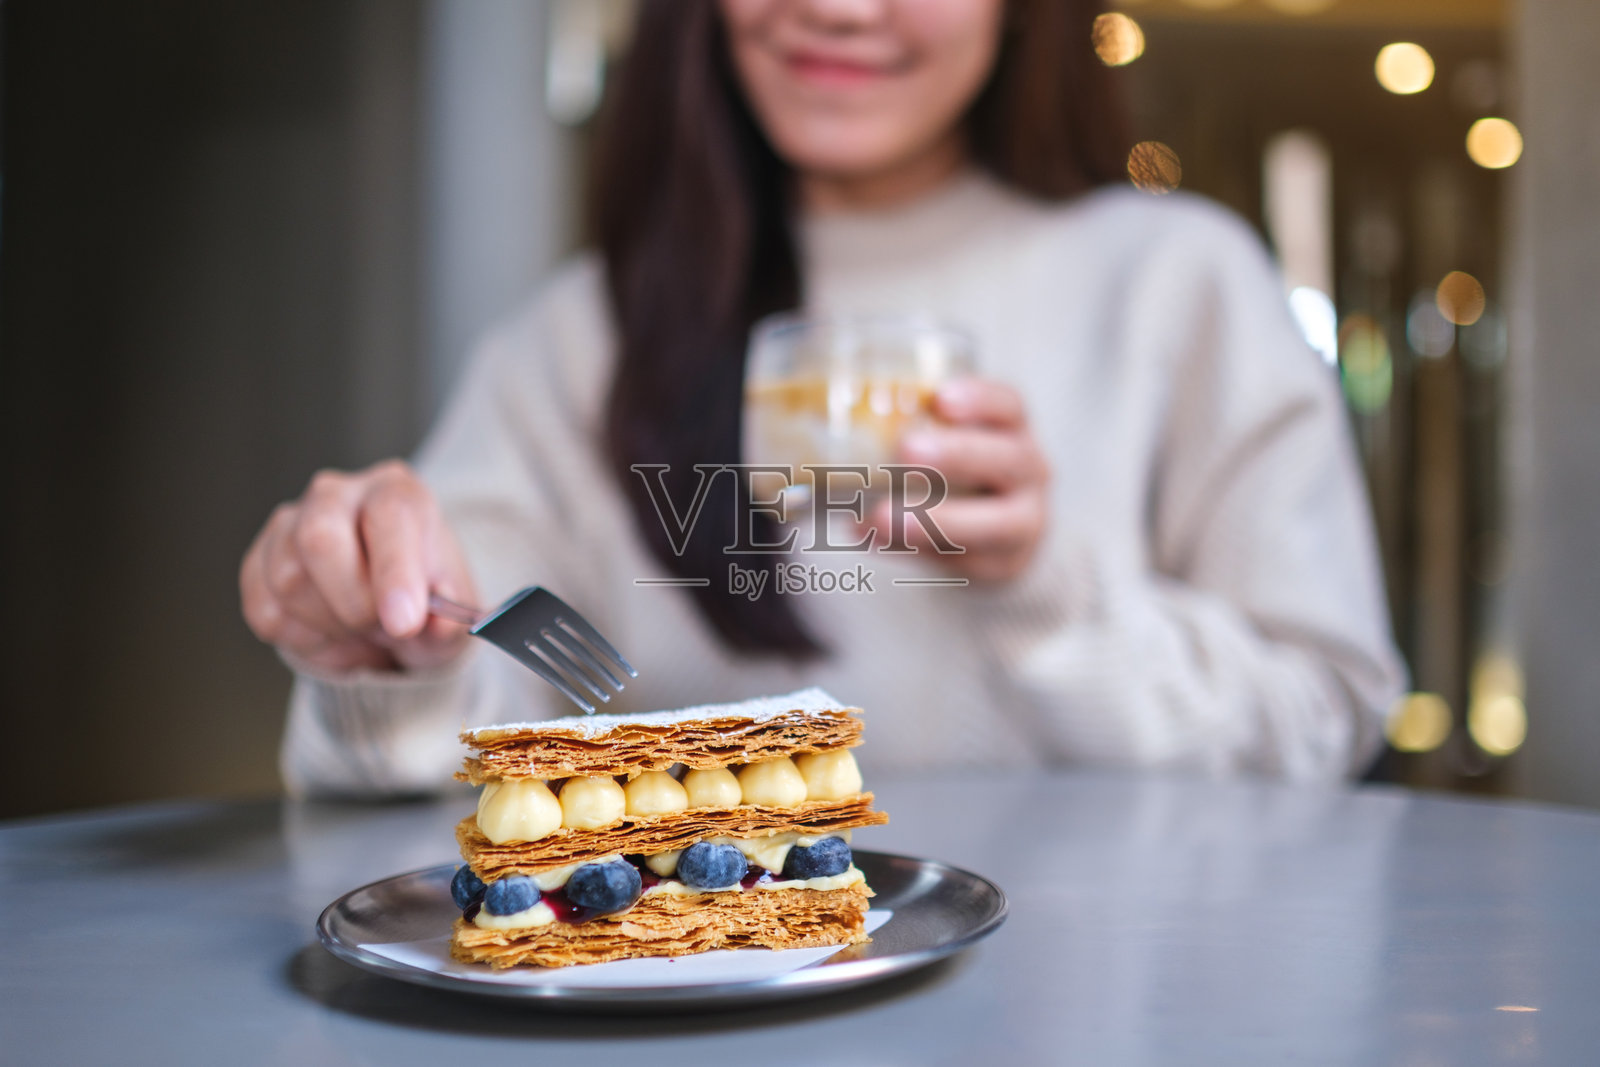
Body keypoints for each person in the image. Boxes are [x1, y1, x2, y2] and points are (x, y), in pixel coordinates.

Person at [241, 0, 1405, 796]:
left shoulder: (1175, 284)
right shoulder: (582, 338)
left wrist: (1047, 596)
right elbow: (512, 691)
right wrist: (395, 642)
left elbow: (1327, 712)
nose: (845, 7)